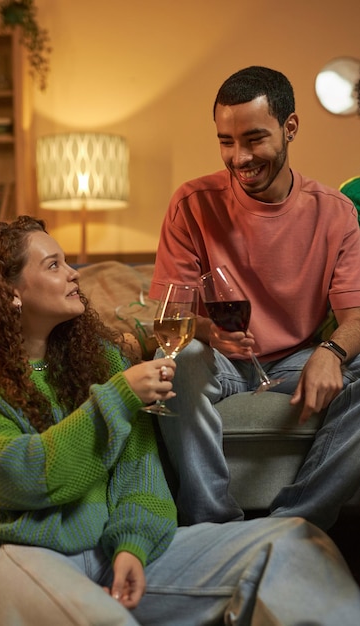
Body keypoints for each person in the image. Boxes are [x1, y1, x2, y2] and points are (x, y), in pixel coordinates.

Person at [0, 218, 360, 625]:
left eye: (68, 262)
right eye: (53, 265)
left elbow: (140, 474)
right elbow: (23, 476)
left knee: (293, 544)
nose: (74, 274)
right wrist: (118, 397)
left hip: (110, 554)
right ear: (11, 291)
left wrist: (133, 544)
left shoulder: (99, 359)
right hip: (11, 552)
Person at [149, 65, 360, 531]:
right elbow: (170, 319)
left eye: (254, 139)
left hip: (293, 361)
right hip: (216, 361)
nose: (239, 156)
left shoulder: (336, 214)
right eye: (226, 141)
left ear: (290, 128)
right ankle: (213, 529)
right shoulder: (191, 204)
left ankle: (295, 523)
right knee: (176, 362)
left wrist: (330, 351)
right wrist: (210, 333)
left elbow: (355, 315)